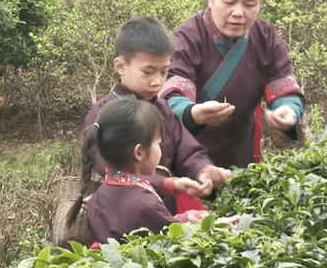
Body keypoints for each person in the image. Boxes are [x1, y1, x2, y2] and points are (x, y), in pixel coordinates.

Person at [161, 0, 306, 169]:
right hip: (187, 161)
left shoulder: (267, 38)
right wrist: (193, 113)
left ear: (260, 3)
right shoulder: (187, 38)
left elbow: (284, 88)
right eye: (229, 2)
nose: (239, 13)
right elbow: (172, 94)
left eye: (249, 5)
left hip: (242, 159)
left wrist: (288, 110)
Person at [81, 17, 231, 213]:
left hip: (160, 210)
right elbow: (111, 171)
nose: (157, 82)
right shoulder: (106, 113)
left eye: (163, 72)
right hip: (119, 213)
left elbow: (187, 149)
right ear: (120, 66)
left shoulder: (162, 109)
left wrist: (203, 169)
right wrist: (167, 183)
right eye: (148, 72)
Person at [81, 98, 239, 244]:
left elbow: (155, 225)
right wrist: (216, 225)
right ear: (139, 152)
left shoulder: (102, 192)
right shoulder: (145, 204)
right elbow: (173, 237)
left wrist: (185, 218)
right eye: (158, 143)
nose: (160, 149)